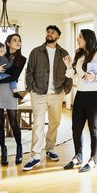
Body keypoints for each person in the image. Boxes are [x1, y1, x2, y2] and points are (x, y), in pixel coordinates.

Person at [63, 29, 97, 172]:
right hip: (80, 95)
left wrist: (95, 77)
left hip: (96, 96)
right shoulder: (79, 54)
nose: (77, 39)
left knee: (93, 129)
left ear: (88, 39)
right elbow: (72, 75)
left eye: (80, 37)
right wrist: (68, 65)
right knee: (76, 128)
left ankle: (93, 159)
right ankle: (78, 157)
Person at [23, 25, 73, 171]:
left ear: (58, 36)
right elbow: (29, 71)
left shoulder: (64, 53)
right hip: (38, 93)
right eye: (48, 32)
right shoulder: (36, 52)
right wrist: (30, 88)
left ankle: (50, 148)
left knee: (54, 123)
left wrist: (67, 89)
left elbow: (69, 71)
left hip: (57, 94)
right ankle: (35, 155)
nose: (49, 34)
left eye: (53, 32)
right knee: (38, 124)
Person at [0, 34, 26, 166]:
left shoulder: (22, 59)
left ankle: (19, 149)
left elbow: (14, 77)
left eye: (19, 40)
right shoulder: (0, 56)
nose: (18, 42)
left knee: (14, 123)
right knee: (0, 122)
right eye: (15, 40)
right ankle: (3, 150)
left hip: (10, 91)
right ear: (8, 43)